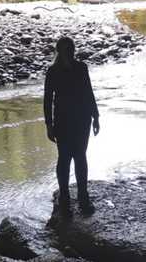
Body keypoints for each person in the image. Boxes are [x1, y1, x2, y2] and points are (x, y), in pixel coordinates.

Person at [43, 36, 100, 213]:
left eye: (71, 49)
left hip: (80, 120)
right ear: (61, 51)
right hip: (66, 121)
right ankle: (66, 197)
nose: (70, 53)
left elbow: (88, 92)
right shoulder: (53, 72)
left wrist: (96, 116)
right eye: (67, 50)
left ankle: (81, 197)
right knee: (66, 158)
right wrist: (49, 125)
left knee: (78, 157)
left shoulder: (80, 68)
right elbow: (47, 100)